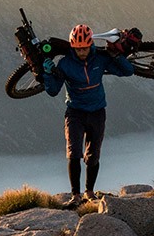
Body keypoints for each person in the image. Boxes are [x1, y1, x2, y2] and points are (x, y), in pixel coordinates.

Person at [39, 24, 140, 208]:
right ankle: (76, 196)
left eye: (85, 47)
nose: (82, 52)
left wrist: (115, 54)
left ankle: (90, 193)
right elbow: (53, 90)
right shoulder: (65, 63)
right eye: (78, 49)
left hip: (97, 112)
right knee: (74, 154)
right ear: (72, 47)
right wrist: (47, 73)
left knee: (93, 156)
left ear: (91, 44)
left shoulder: (100, 59)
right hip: (75, 112)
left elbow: (128, 71)